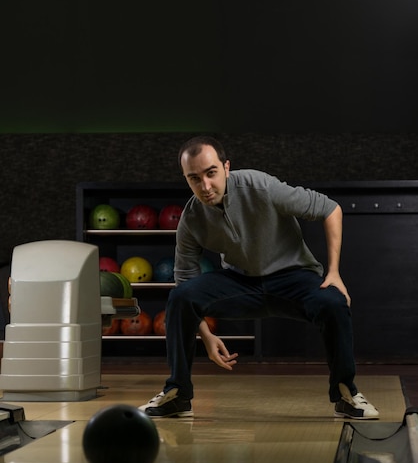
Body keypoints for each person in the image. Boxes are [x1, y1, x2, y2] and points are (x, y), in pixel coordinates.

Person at [140, 135, 378, 420]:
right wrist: (206, 335)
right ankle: (178, 393)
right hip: (241, 284)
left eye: (211, 173)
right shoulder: (191, 217)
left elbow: (330, 209)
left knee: (334, 301)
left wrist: (334, 271)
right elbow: (185, 280)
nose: (205, 186)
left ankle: (345, 393)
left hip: (294, 279)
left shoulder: (260, 186)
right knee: (180, 297)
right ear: (186, 179)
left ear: (226, 167)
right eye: (194, 178)